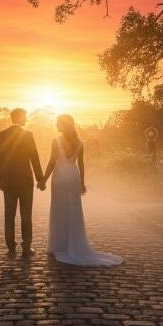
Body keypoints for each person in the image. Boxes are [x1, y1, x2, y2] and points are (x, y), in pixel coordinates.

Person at [42, 114, 123, 267]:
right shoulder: (79, 142)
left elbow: (52, 162)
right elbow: (81, 164)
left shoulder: (56, 141)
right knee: (73, 210)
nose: (56, 125)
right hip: (73, 176)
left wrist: (43, 179)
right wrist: (82, 182)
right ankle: (74, 243)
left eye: (58, 123)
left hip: (59, 177)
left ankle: (59, 245)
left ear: (63, 125)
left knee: (59, 208)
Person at [0, 108, 44, 257]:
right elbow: (34, 158)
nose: (26, 119)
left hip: (8, 181)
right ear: (20, 117)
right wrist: (40, 178)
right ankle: (26, 247)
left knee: (9, 215)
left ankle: (11, 248)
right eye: (25, 116)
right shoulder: (28, 135)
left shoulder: (1, 135)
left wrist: (0, 179)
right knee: (26, 215)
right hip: (25, 181)